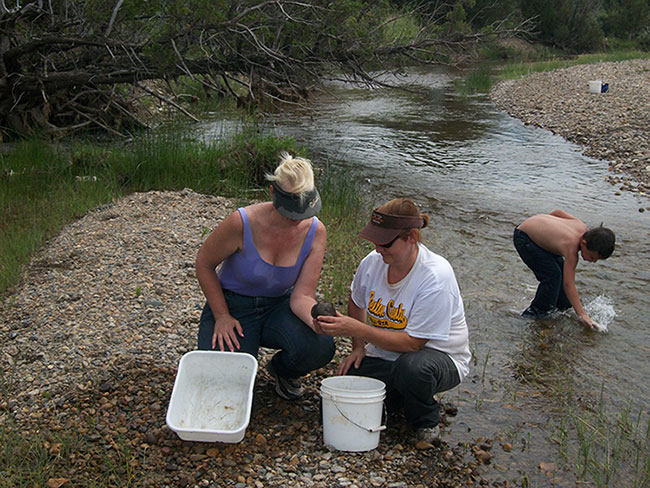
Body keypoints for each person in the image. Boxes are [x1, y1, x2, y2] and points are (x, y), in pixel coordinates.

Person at [314, 198, 471, 444]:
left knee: (412, 369)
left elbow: (413, 344)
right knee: (339, 396)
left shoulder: (435, 277)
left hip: (439, 358)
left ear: (412, 237)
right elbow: (356, 300)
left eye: (385, 243)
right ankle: (399, 398)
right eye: (375, 241)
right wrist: (357, 347)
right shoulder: (373, 263)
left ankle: (426, 420)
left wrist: (358, 329)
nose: (378, 249)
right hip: (388, 355)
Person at [195, 152, 335, 400]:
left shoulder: (316, 231)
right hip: (233, 305)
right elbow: (204, 264)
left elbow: (302, 295)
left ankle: (283, 371)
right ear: (272, 194)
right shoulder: (241, 222)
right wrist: (222, 316)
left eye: (301, 214)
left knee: (320, 347)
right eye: (289, 213)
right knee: (226, 389)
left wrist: (317, 322)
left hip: (278, 306)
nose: (295, 222)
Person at [513, 209, 615, 330]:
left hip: (534, 234)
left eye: (596, 259)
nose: (593, 261)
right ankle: (534, 314)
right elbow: (568, 284)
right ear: (583, 243)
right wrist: (582, 314)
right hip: (524, 238)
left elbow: (558, 212)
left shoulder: (581, 226)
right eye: (592, 257)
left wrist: (548, 228)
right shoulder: (571, 250)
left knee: (560, 275)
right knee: (553, 276)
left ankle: (562, 307)